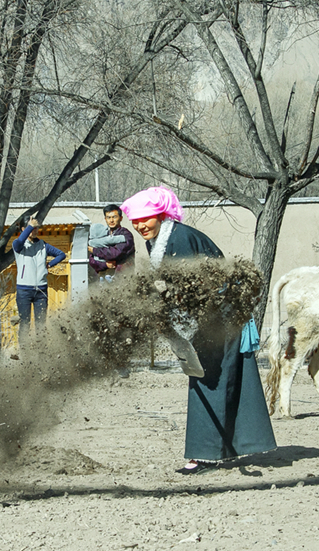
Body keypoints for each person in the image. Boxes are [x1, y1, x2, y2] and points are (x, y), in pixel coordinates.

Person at [120, 186, 276, 474]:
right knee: (213, 380)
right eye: (136, 221)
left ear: (161, 214)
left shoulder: (180, 238)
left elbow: (191, 290)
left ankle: (203, 455)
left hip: (220, 317)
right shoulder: (158, 239)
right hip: (208, 317)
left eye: (146, 219)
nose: (140, 226)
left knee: (209, 381)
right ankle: (222, 450)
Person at [12, 218, 66, 340]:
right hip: (24, 291)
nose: (34, 230)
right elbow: (19, 241)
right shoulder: (19, 245)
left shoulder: (43, 245)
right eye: (31, 228)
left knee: (41, 325)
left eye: (36, 227)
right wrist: (30, 226)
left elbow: (61, 254)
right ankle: (24, 354)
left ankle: (41, 354)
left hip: (41, 290)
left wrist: (49, 265)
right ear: (23, 229)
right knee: (25, 323)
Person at [87, 204, 135, 281]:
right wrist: (105, 265)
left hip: (123, 279)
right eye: (108, 217)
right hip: (103, 281)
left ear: (121, 218)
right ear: (105, 219)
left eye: (114, 217)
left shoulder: (125, 235)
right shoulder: (102, 234)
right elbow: (92, 260)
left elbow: (114, 253)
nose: (111, 220)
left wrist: (95, 250)